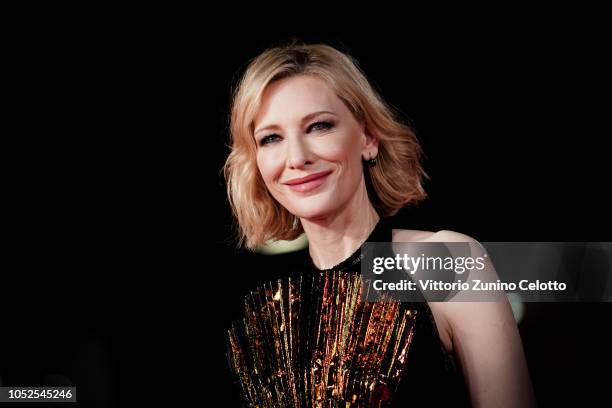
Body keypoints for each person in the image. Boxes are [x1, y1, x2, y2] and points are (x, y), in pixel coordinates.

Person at [223, 41, 536, 407]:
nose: (296, 157)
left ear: (369, 138)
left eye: (319, 126)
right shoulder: (258, 313)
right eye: (271, 138)